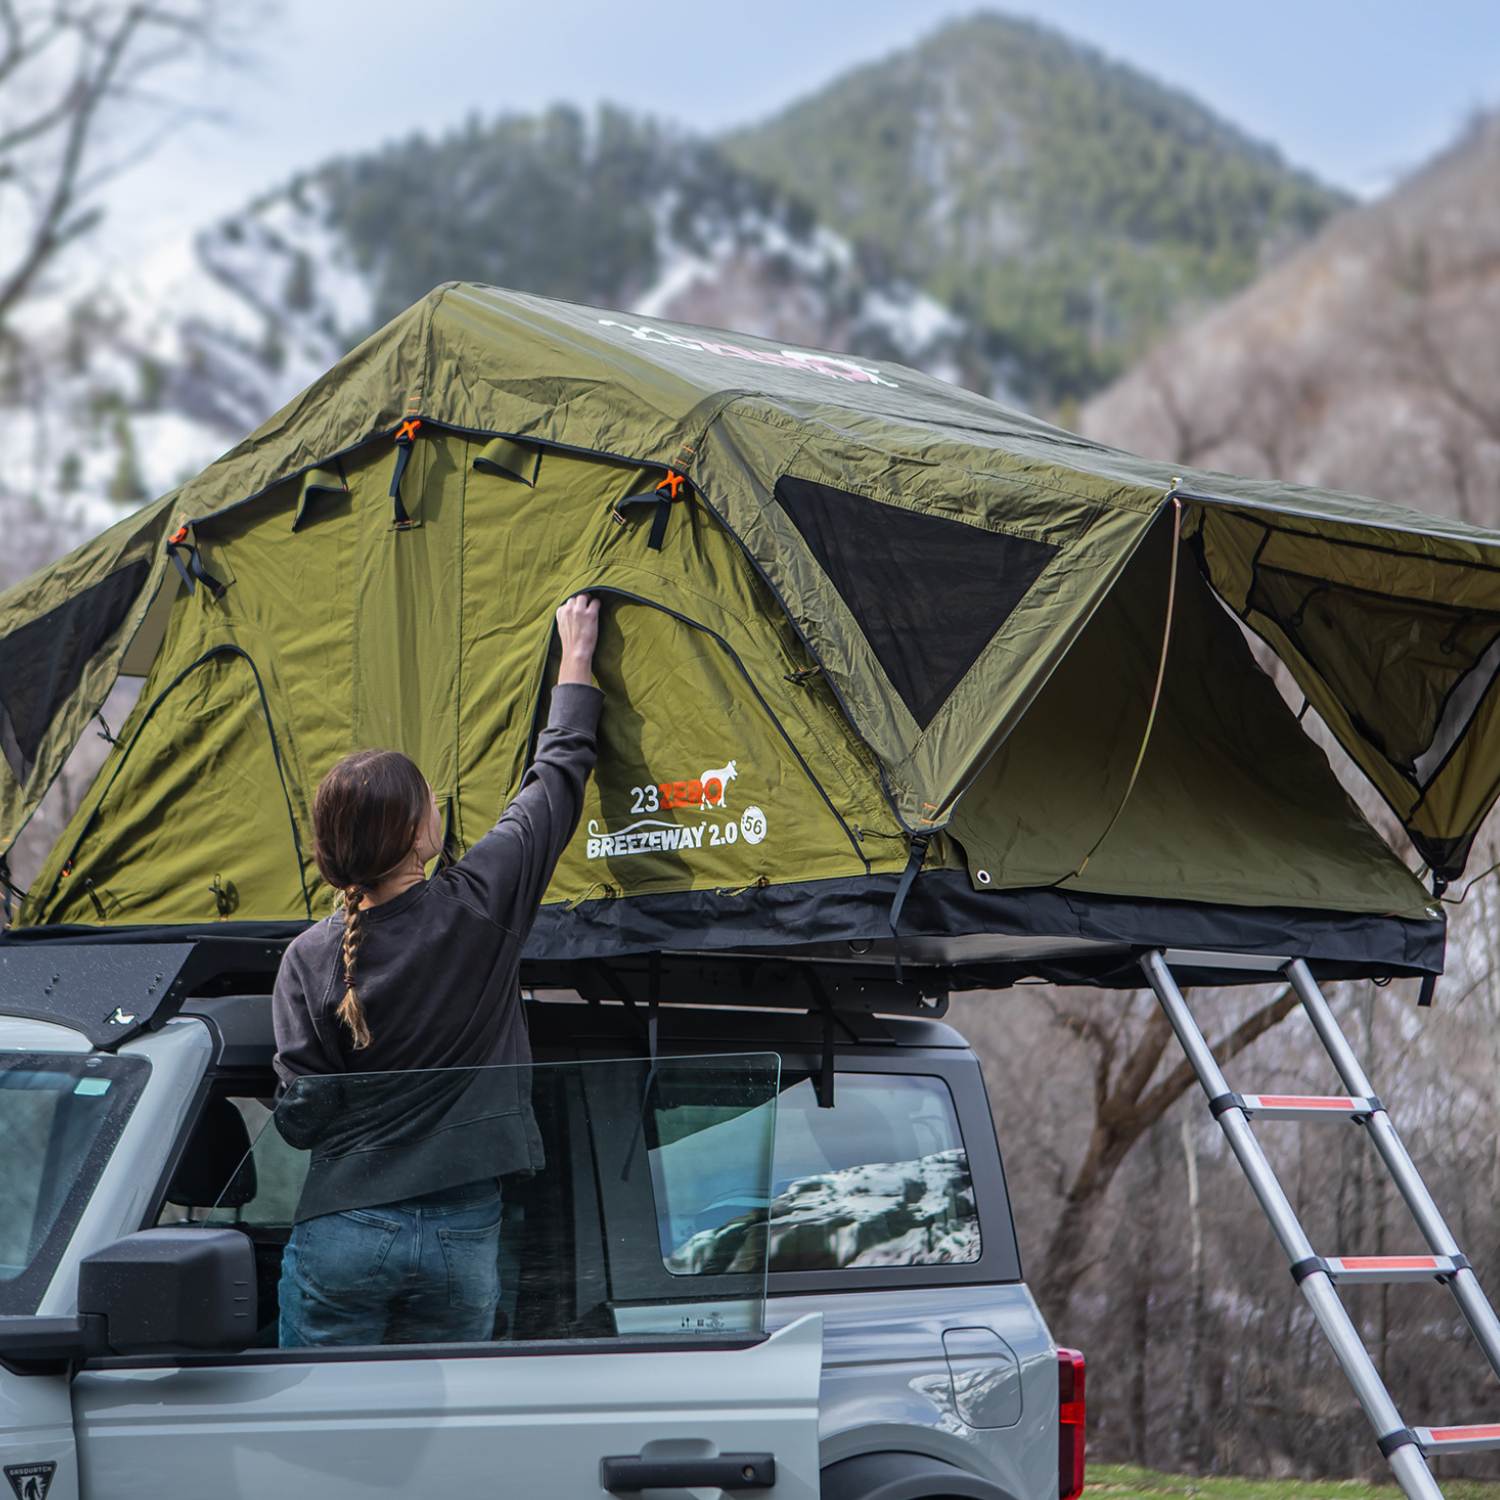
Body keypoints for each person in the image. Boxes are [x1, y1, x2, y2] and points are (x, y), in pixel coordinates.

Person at [270, 593, 602, 1348]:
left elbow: (298, 1119)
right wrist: (575, 656)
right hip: (462, 1233)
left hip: (343, 1232)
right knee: (442, 1441)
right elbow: (557, 779)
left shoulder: (307, 958)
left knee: (317, 1437)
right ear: (421, 833)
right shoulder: (479, 904)